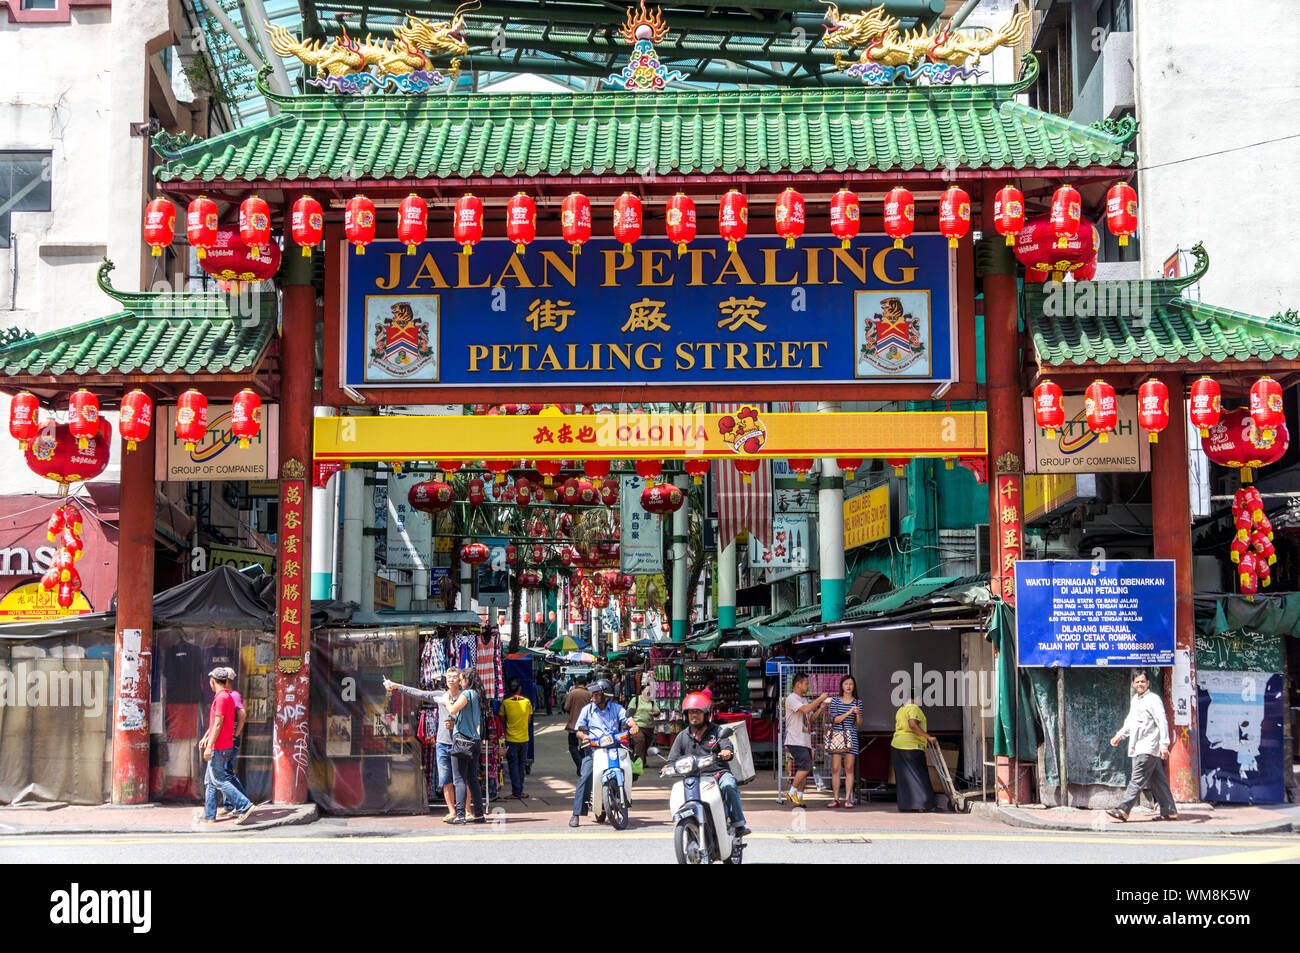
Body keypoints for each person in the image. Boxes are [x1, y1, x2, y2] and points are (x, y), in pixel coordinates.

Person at [667, 692, 750, 836]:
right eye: (691, 712)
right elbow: (672, 759)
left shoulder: (717, 731)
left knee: (729, 785)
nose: (694, 716)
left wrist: (726, 752)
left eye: (698, 712)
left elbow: (727, 746)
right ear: (686, 715)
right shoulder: (682, 736)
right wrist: (667, 767)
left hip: (718, 774)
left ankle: (738, 824)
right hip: (693, 777)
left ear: (706, 714)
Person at [385, 668, 461, 822]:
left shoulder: (465, 696)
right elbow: (419, 693)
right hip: (442, 743)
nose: (451, 680)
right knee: (446, 780)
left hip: (460, 743)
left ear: (460, 680)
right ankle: (452, 812)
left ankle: (465, 811)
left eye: (454, 677)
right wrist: (397, 686)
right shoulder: (441, 696)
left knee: (461, 780)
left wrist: (456, 724)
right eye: (449, 677)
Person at [1107, 671, 1179, 821]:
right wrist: (1119, 736)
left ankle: (1123, 810)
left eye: (1143, 682)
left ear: (1148, 683)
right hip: (1139, 746)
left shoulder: (1153, 699)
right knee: (1157, 780)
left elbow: (1162, 721)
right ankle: (1169, 810)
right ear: (1133, 684)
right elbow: (1130, 722)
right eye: (1137, 682)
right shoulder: (1135, 700)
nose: (1140, 684)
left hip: (1148, 746)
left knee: (1137, 779)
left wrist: (1164, 744)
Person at [569, 678, 639, 827]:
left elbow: (627, 719)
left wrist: (633, 726)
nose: (593, 697)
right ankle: (576, 813)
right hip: (594, 749)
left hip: (614, 747)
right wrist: (584, 736)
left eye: (597, 694)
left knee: (632, 768)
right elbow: (578, 731)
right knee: (585, 776)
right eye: (593, 694)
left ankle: (624, 798)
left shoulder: (617, 708)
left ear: (606, 695)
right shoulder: (587, 710)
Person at [198, 668, 255, 825]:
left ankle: (244, 805)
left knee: (219, 780)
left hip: (220, 746)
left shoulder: (222, 698)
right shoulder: (227, 697)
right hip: (223, 744)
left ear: (212, 681)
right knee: (210, 781)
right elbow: (217, 722)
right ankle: (209, 814)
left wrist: (209, 746)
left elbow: (218, 724)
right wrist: (207, 738)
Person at [442, 668, 486, 823]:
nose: (459, 682)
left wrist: (446, 698)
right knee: (472, 779)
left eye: (461, 679)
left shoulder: (467, 694)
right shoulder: (476, 695)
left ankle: (460, 815)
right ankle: (479, 814)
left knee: (460, 779)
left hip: (462, 740)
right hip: (474, 740)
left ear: (467, 680)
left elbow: (453, 710)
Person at [784, 673, 829, 806]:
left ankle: (799, 797)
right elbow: (806, 709)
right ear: (798, 684)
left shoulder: (803, 700)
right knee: (806, 766)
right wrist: (820, 699)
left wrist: (821, 709)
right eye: (806, 683)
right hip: (795, 739)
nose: (808, 686)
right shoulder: (791, 699)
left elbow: (811, 719)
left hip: (804, 740)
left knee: (805, 769)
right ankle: (792, 792)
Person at [215, 667, 250, 819]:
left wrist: (235, 735)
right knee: (225, 772)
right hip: (228, 739)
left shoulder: (233, 695)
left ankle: (243, 803)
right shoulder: (227, 695)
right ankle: (230, 805)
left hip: (231, 739)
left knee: (227, 773)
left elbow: (242, 714)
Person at [891, 695, 936, 812]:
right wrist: (929, 737)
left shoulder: (900, 710)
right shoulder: (913, 708)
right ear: (915, 698)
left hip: (897, 745)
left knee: (904, 778)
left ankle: (906, 806)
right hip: (911, 746)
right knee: (920, 775)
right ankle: (925, 805)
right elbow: (912, 724)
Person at [827, 675, 863, 809]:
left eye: (851, 684)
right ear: (842, 686)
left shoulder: (857, 702)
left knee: (849, 768)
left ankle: (848, 798)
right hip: (837, 736)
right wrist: (849, 712)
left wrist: (857, 714)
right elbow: (834, 719)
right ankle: (836, 798)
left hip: (851, 736)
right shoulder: (836, 700)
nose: (848, 686)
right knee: (836, 768)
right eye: (846, 684)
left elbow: (859, 723)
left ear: (854, 687)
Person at [498, 677, 534, 800]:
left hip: (511, 739)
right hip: (524, 739)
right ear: (520, 688)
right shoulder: (527, 702)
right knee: (521, 765)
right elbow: (529, 719)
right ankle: (520, 790)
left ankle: (516, 792)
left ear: (508, 689)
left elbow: (502, 719)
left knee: (513, 765)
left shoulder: (505, 703)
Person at [563, 674, 593, 776]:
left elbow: (566, 707)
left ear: (576, 683)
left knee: (572, 746)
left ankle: (580, 764)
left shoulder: (572, 693)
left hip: (573, 725)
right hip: (586, 726)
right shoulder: (590, 694)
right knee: (584, 747)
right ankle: (581, 765)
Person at [626, 684, 659, 775]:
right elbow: (629, 712)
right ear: (642, 691)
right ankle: (638, 764)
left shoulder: (652, 701)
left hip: (649, 727)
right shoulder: (635, 700)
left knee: (645, 745)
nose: (649, 692)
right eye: (647, 690)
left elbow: (657, 711)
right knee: (640, 741)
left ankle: (642, 761)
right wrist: (631, 723)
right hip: (637, 726)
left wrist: (654, 713)